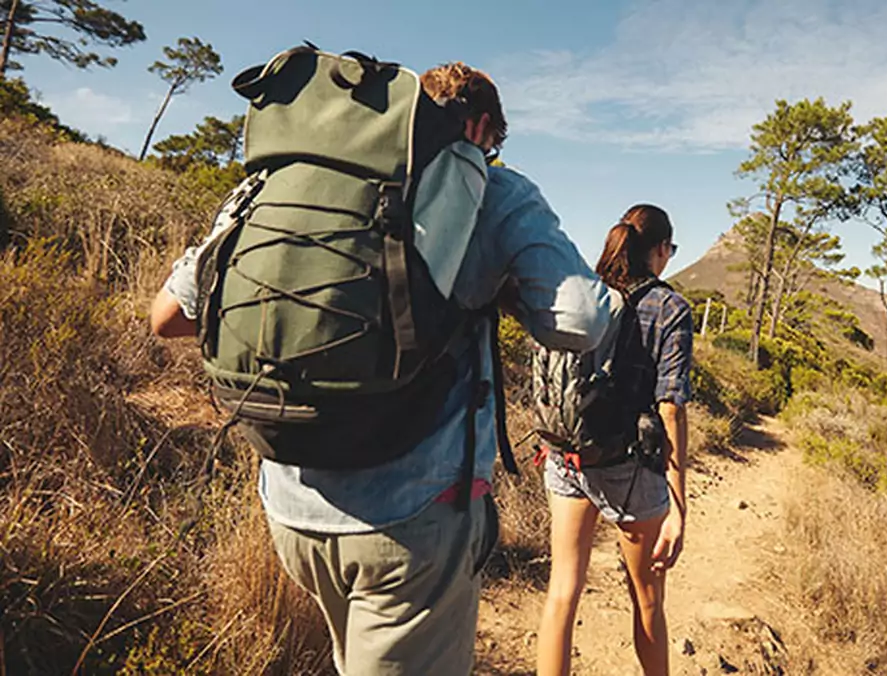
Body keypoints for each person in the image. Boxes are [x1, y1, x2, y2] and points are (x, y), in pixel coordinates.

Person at [149, 60, 615, 675]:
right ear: (479, 126)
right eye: (494, 141)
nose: (491, 153)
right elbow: (580, 322)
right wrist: (499, 287)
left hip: (289, 502)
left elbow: (167, 317)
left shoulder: (286, 178)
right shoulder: (493, 190)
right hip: (411, 522)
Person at [536, 205, 693, 676]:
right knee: (647, 599)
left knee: (562, 590)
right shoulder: (670, 308)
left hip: (566, 455)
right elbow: (671, 407)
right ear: (661, 250)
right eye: (671, 250)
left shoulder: (586, 292)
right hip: (629, 469)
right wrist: (679, 504)